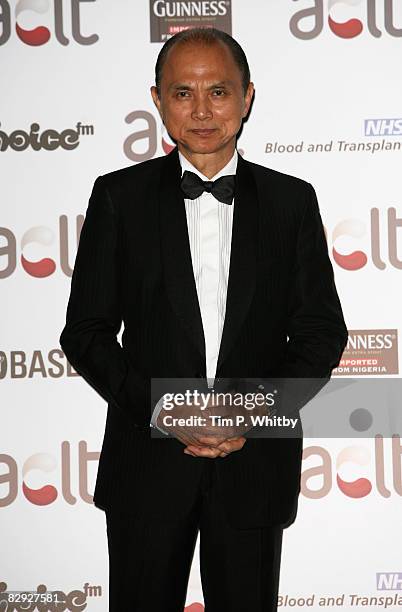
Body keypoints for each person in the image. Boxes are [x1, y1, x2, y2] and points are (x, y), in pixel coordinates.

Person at [60, 27, 348, 612]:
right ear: (158, 99)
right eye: (182, 93)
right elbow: (86, 332)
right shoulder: (119, 196)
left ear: (247, 97)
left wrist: (254, 413)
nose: (200, 110)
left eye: (217, 92)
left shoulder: (293, 202)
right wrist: (166, 412)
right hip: (147, 467)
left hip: (254, 468)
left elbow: (320, 333)